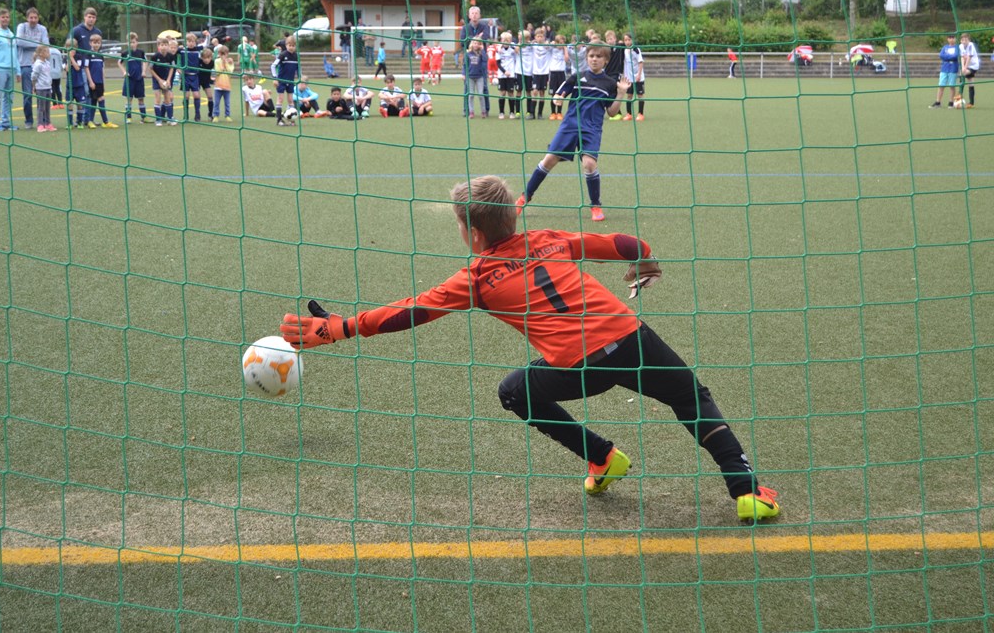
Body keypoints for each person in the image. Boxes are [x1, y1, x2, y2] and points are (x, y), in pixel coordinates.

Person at [278, 175, 781, 521]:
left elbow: (411, 312)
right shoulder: (549, 239)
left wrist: (340, 328)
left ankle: (603, 457)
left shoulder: (476, 277)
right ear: (513, 217)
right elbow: (621, 243)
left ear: (474, 234)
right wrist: (644, 260)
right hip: (631, 338)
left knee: (514, 390)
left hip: (578, 367)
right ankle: (747, 492)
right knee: (691, 398)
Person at [516, 42, 629, 222]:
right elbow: (559, 93)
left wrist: (621, 93)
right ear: (587, 58)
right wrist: (558, 99)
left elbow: (612, 112)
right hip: (570, 125)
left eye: (599, 56)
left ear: (606, 60)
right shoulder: (578, 77)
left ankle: (595, 205)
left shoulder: (609, 84)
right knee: (549, 160)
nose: (594, 59)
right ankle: (525, 197)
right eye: (591, 56)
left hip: (592, 129)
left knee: (589, 164)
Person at [16, 7, 50, 129]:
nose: (33, 20)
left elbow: (46, 45)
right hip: (25, 65)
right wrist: (38, 45)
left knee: (43, 94)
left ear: (38, 18)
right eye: (31, 17)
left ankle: (44, 121)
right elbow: (20, 42)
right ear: (27, 18)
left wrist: (35, 45)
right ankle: (29, 120)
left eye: (35, 17)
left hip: (40, 64)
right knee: (28, 94)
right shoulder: (22, 27)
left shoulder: (42, 29)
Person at [460, 6, 490, 116]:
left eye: (476, 13)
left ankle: (486, 110)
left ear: (480, 15)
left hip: (481, 60)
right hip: (469, 60)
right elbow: (463, 42)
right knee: (467, 88)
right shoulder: (465, 28)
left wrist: (472, 39)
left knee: (484, 88)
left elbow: (485, 37)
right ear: (469, 15)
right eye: (472, 13)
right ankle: (466, 110)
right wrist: (477, 38)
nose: (474, 15)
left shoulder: (485, 26)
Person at [83, 33, 117, 128]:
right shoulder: (88, 54)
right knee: (96, 100)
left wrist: (104, 82)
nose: (96, 45)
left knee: (97, 100)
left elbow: (102, 70)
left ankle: (97, 121)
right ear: (90, 43)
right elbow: (86, 68)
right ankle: (99, 121)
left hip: (100, 82)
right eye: (94, 43)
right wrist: (90, 81)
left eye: (98, 43)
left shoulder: (100, 55)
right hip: (93, 82)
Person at [118, 32, 149, 123]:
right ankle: (128, 117)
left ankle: (144, 117)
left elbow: (145, 61)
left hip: (139, 79)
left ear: (137, 42)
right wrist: (124, 72)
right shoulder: (125, 53)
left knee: (141, 98)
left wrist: (143, 71)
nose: (132, 44)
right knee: (129, 99)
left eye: (133, 42)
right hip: (129, 79)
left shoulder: (141, 52)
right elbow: (119, 62)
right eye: (130, 42)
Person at [271, 35, 299, 125]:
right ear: (286, 45)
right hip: (281, 81)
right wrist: (275, 78)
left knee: (291, 100)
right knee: (280, 99)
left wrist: (299, 77)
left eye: (293, 46)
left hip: (291, 81)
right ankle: (279, 120)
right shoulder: (282, 55)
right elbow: (273, 66)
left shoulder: (296, 56)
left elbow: (298, 68)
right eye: (289, 45)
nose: (291, 47)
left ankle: (292, 120)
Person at [149, 37, 175, 126]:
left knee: (167, 98)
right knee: (158, 99)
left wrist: (168, 80)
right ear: (158, 46)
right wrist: (159, 80)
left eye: (166, 45)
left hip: (165, 79)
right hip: (157, 80)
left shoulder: (170, 56)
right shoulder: (155, 57)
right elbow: (151, 69)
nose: (164, 47)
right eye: (162, 45)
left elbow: (172, 68)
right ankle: (158, 120)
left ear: (168, 46)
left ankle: (170, 118)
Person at [30, 44, 55, 132]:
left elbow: (48, 75)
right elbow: (34, 76)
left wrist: (50, 84)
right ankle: (40, 125)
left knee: (47, 107)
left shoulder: (47, 63)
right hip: (41, 88)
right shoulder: (38, 64)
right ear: (41, 53)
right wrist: (34, 86)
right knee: (41, 108)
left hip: (48, 87)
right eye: (46, 51)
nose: (48, 53)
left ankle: (47, 123)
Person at [621, 33, 645, 121]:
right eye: (625, 40)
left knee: (640, 95)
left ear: (632, 40)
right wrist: (624, 75)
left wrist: (639, 75)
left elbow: (641, 62)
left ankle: (640, 114)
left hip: (638, 77)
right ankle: (629, 114)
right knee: (629, 95)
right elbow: (625, 63)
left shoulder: (636, 49)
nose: (627, 42)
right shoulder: (624, 50)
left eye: (629, 40)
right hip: (629, 78)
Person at [529, 29, 552, 120]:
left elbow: (552, 45)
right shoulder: (533, 46)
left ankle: (540, 114)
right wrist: (531, 42)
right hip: (536, 72)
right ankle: (532, 113)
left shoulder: (547, 46)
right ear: (535, 37)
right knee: (534, 92)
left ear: (544, 37)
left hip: (544, 72)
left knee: (542, 93)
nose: (539, 38)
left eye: (541, 36)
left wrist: (548, 43)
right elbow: (525, 44)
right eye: (538, 36)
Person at [931, 34, 959, 108]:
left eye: (953, 38)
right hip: (944, 68)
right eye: (950, 38)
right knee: (941, 85)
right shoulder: (945, 47)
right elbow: (941, 55)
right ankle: (938, 102)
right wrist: (950, 57)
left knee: (952, 86)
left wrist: (947, 57)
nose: (951, 39)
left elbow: (956, 56)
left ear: (955, 39)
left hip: (953, 69)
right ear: (947, 39)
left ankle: (951, 102)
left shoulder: (957, 47)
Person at [181, 32, 204, 120]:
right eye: (189, 41)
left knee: (196, 95)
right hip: (186, 76)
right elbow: (173, 53)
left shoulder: (197, 50)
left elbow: (206, 44)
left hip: (195, 76)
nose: (191, 43)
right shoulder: (182, 50)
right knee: (186, 96)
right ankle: (186, 115)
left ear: (195, 42)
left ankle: (197, 114)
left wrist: (208, 35)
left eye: (193, 41)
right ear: (186, 42)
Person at [496, 31, 519, 119]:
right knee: (502, 93)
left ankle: (512, 112)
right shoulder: (499, 49)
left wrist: (512, 45)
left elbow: (517, 51)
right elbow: (498, 63)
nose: (506, 41)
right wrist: (504, 71)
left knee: (511, 93)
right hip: (502, 74)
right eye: (504, 40)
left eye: (508, 40)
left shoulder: (512, 47)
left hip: (511, 74)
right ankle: (501, 112)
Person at [65, 38, 88, 128]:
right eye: (68, 47)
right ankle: (70, 123)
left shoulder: (79, 56)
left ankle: (79, 122)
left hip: (79, 85)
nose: (70, 50)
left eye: (72, 47)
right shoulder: (65, 58)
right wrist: (69, 58)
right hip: (70, 86)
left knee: (80, 105)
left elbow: (78, 68)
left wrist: (71, 58)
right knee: (69, 105)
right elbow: (67, 69)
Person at [465, 37, 488, 119]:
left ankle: (483, 111)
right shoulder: (468, 53)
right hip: (470, 76)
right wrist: (464, 74)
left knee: (481, 94)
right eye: (475, 43)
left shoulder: (481, 53)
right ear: (472, 44)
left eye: (478, 43)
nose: (476, 45)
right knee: (471, 95)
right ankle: (471, 112)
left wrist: (483, 50)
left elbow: (485, 60)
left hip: (479, 76)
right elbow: (465, 65)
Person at [547, 34, 568, 120]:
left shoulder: (564, 50)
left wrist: (565, 48)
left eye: (562, 43)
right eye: (559, 42)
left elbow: (566, 59)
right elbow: (546, 46)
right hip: (553, 72)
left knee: (560, 94)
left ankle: (559, 112)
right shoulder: (552, 49)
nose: (561, 45)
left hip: (561, 73)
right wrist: (552, 43)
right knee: (553, 94)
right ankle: (553, 112)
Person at [213, 44, 234, 122]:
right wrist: (222, 65)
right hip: (218, 86)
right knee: (216, 102)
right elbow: (217, 72)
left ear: (227, 54)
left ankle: (227, 115)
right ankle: (215, 115)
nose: (223, 56)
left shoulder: (230, 61)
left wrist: (226, 63)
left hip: (227, 86)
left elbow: (230, 72)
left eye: (224, 54)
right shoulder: (217, 61)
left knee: (227, 103)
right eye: (221, 54)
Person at [958, 33, 979, 108]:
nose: (964, 41)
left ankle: (959, 94)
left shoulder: (971, 45)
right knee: (971, 83)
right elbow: (962, 57)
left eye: (966, 40)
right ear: (960, 41)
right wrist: (963, 67)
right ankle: (971, 103)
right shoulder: (960, 46)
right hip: (967, 65)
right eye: (963, 40)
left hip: (974, 66)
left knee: (963, 73)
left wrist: (965, 68)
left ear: (969, 40)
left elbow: (969, 57)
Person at [197, 48, 216, 120]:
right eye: (204, 58)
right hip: (198, 80)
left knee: (210, 96)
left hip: (206, 81)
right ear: (201, 57)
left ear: (211, 57)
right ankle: (197, 114)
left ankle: (210, 114)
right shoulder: (199, 61)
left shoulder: (212, 63)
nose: (206, 60)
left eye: (208, 58)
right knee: (197, 97)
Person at [49, 42, 64, 109]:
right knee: (58, 87)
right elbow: (61, 62)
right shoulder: (58, 51)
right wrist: (61, 69)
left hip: (50, 72)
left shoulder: (48, 51)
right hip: (57, 72)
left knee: (52, 88)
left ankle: (54, 104)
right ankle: (60, 103)